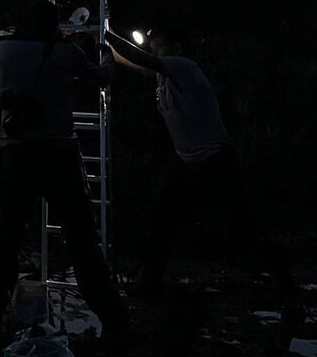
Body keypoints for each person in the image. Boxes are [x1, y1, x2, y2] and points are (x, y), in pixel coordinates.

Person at [104, 27, 302, 324]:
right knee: (160, 218)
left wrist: (106, 33)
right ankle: (152, 279)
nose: (152, 44)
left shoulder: (183, 66)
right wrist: (102, 44)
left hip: (215, 161)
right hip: (186, 162)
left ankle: (290, 293)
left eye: (158, 39)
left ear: (175, 45)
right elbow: (131, 61)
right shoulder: (163, 73)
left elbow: (140, 58)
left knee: (245, 226)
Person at [0, 1, 136, 352]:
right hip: (58, 154)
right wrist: (102, 52)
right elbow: (101, 77)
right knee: (82, 242)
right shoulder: (67, 54)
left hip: (15, 154)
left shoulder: (3, 49)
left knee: (7, 241)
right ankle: (115, 321)